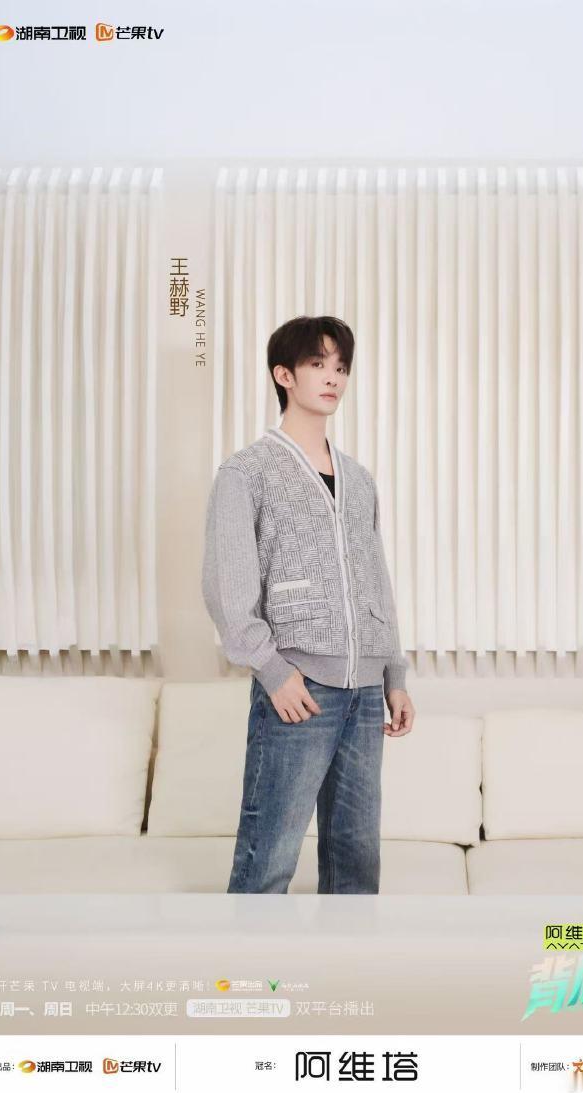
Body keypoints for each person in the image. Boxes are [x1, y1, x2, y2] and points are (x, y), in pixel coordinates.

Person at [202, 315, 415, 894]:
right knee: (269, 856)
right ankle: (244, 956)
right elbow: (226, 587)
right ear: (284, 375)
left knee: (357, 862)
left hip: (365, 692)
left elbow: (375, 579)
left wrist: (393, 675)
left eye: (341, 367)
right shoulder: (245, 472)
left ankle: (350, 955)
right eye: (318, 364)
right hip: (299, 687)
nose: (333, 378)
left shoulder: (359, 479)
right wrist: (274, 672)